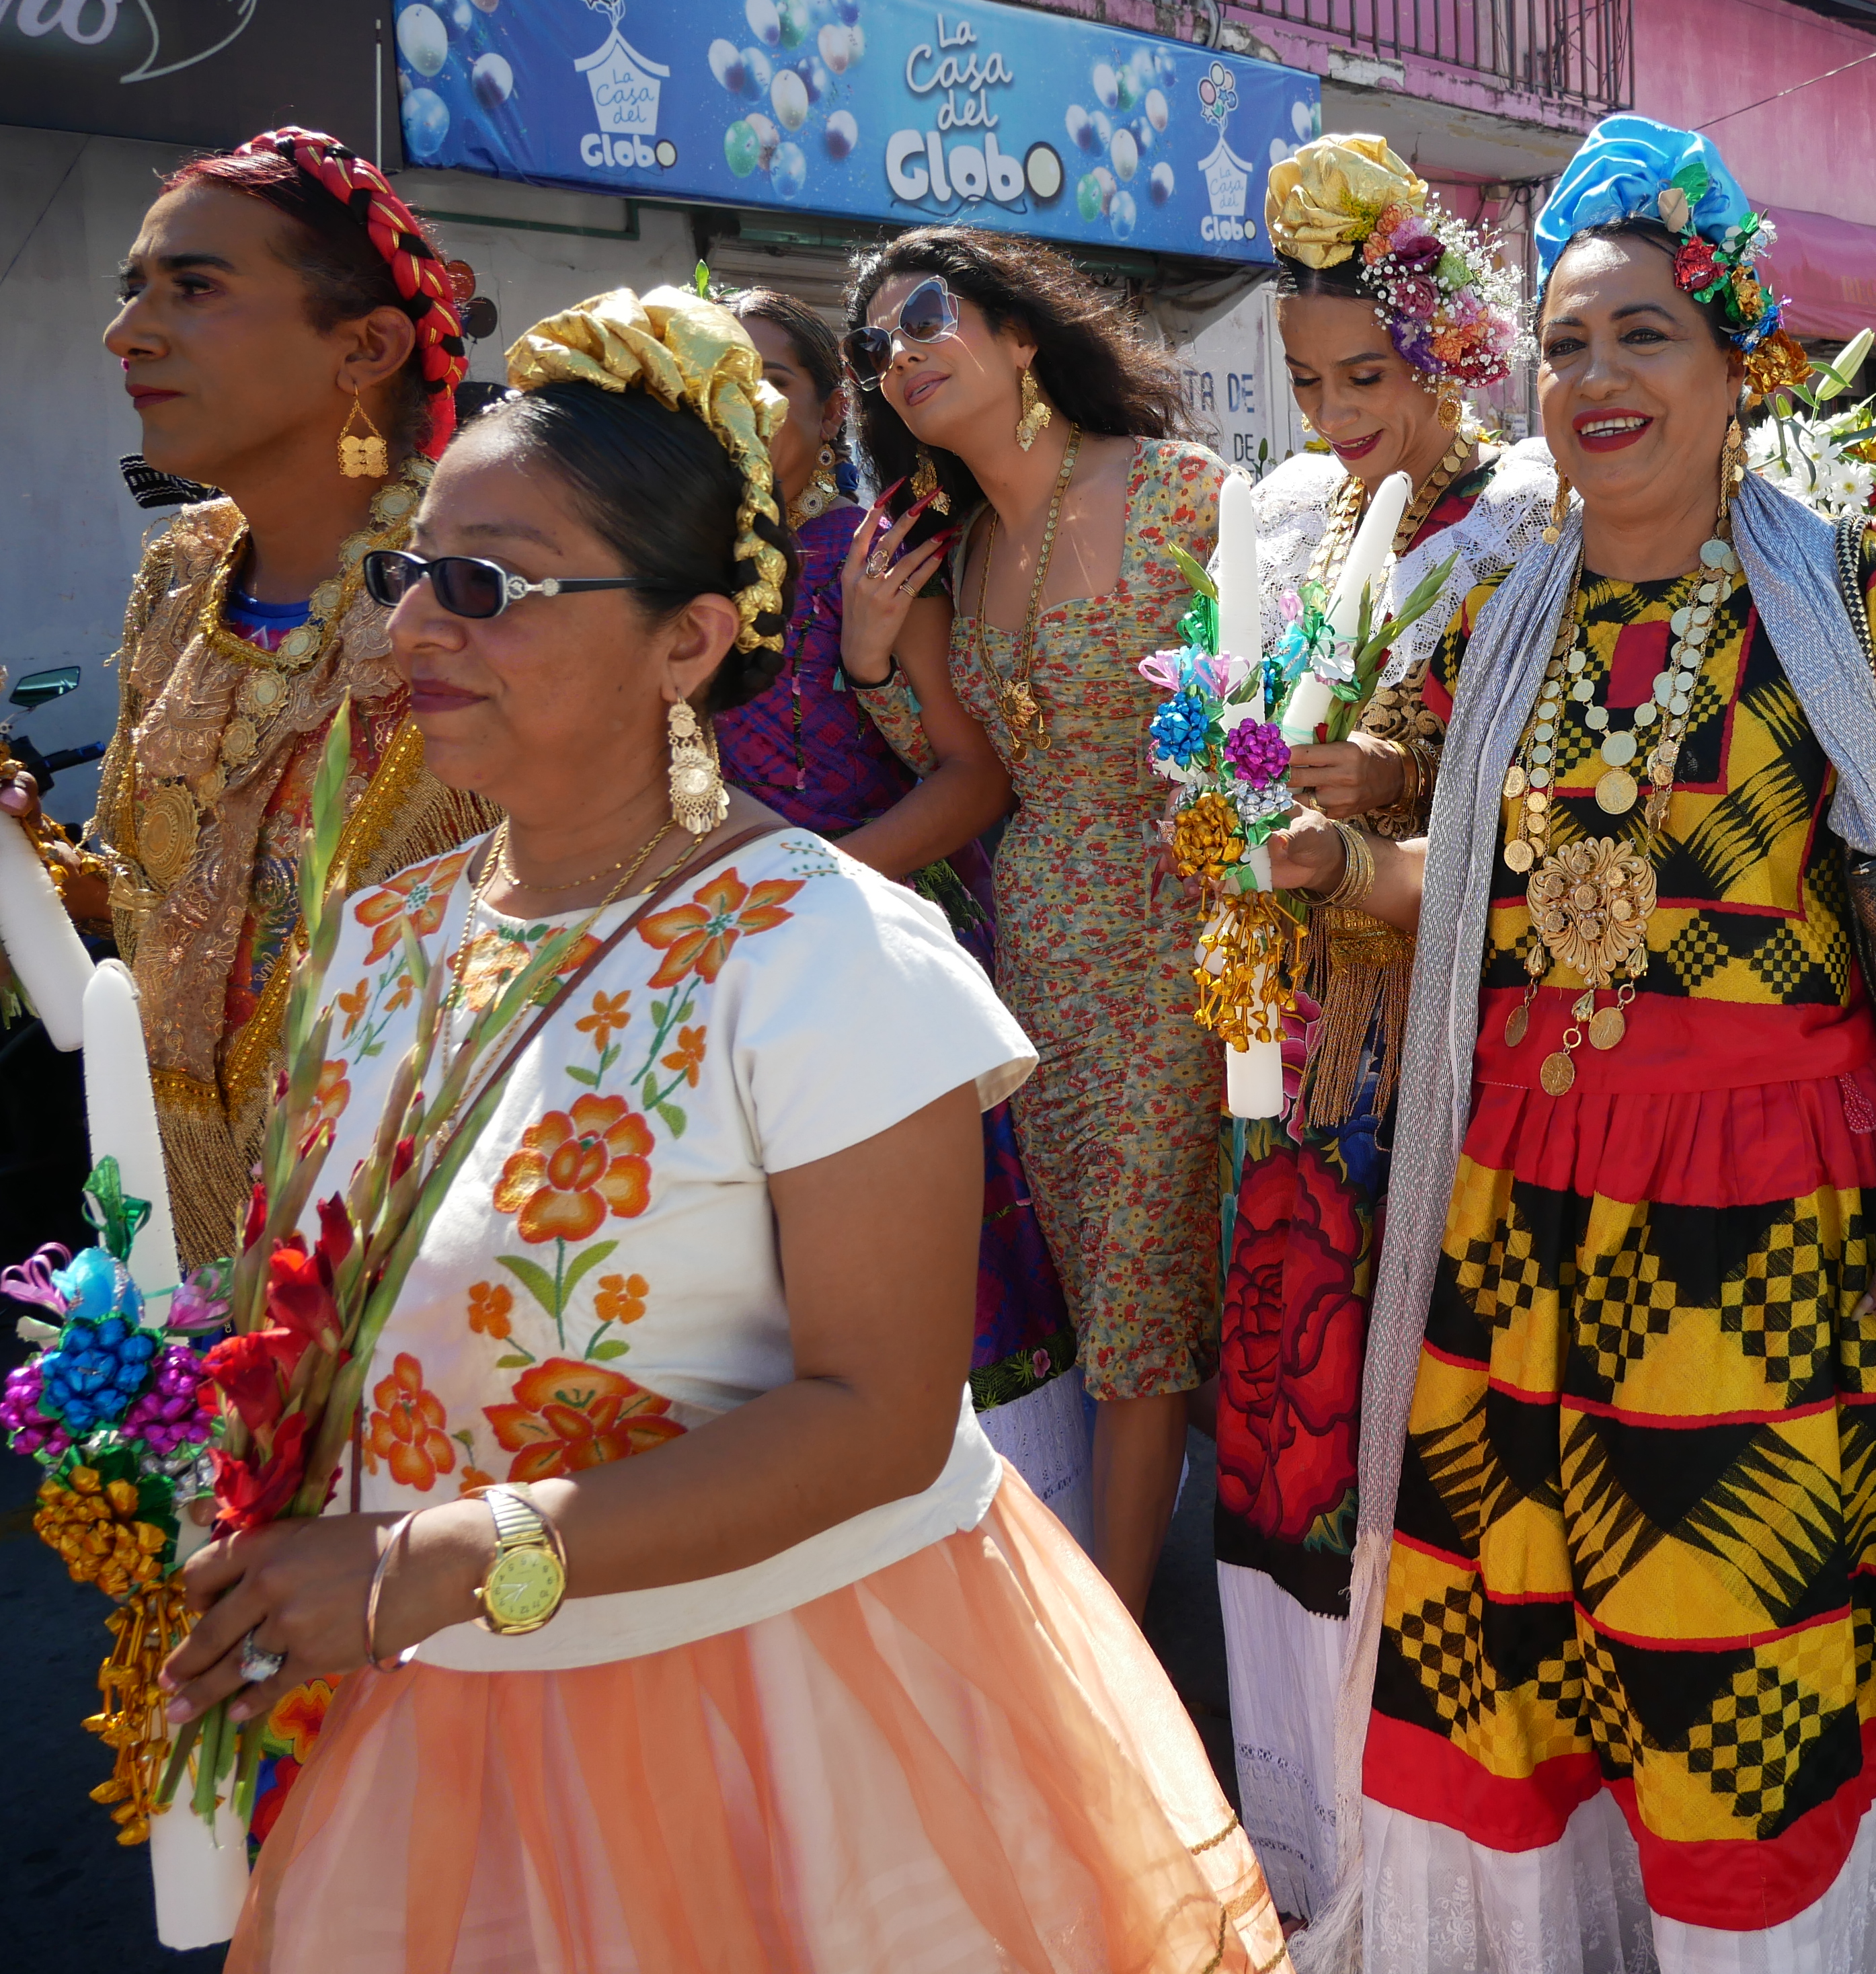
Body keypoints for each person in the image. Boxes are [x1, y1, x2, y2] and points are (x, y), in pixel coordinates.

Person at [164, 285, 1280, 1971]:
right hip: (444, 1739)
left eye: (490, 586)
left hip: (793, 1743)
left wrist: (454, 1556)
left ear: (687, 642)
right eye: (410, 575)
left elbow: (876, 1422)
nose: (412, 631)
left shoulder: (825, 950)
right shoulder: (383, 940)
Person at [1259, 115, 1876, 1969]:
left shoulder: (1872, 592)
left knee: (1734, 1677)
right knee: (1533, 1662)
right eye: (1568, 343)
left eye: (1644, 333)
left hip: (1767, 1227)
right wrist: (1351, 861)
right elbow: (1501, 890)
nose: (1597, 376)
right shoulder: (1498, 613)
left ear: (1737, 361)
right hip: (1522, 1222)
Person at [1223, 134, 1556, 1920]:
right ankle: (1332, 1823)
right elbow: (1273, 713)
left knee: (1423, 1401)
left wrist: (1395, 782)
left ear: (1450, 361)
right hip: (1311, 1007)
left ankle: (1450, 1834)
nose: (1340, 412)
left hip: (1451, 1019)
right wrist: (1265, 769)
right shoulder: (1310, 521)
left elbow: (1538, 785)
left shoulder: (1522, 524)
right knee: (1309, 1386)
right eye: (1308, 383)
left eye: (1370, 376)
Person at [0, 130, 488, 1267]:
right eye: (133, 290)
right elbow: (148, 897)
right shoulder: (181, 572)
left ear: (364, 346)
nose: (127, 333)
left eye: (195, 286)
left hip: (425, 1239)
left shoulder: (479, 586)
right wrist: (34, 861)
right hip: (161, 1223)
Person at [838, 228, 1233, 1618]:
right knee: (1127, 1310)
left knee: (1138, 1328)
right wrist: (872, 652)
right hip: (1044, 966)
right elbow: (978, 765)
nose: (900, 351)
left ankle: (1123, 1679)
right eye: (874, 343)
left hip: (1198, 940)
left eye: (928, 314)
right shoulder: (953, 555)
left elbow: (1285, 699)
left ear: (1020, 336)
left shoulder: (1183, 492)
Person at [709, 288, 1078, 1490]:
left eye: (772, 374)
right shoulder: (665, 567)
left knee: (940, 1281)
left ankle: (1018, 1563)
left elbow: (975, 779)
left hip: (877, 959)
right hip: (717, 978)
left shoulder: (875, 552)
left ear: (829, 406)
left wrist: (809, 886)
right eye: (717, 369)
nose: (741, 396)